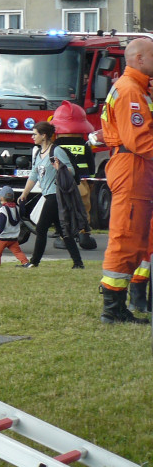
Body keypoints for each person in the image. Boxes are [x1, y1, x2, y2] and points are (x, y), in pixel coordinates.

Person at [96, 36, 153, 324]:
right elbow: (142, 141)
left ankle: (119, 304)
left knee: (137, 236)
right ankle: (112, 308)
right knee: (126, 237)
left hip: (136, 169)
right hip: (133, 168)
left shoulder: (136, 88)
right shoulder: (131, 90)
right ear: (140, 59)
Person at [18, 121, 84, 269]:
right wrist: (24, 193)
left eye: (35, 134)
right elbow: (34, 175)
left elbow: (71, 171)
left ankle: (34, 262)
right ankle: (78, 263)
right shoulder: (39, 153)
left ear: (44, 135)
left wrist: (60, 167)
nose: (32, 137)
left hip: (56, 194)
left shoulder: (57, 151)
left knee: (41, 228)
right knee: (62, 230)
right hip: (47, 194)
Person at [49, 100, 97, 250]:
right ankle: (84, 235)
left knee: (65, 208)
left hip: (63, 182)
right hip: (82, 181)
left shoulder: (57, 145)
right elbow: (91, 165)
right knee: (83, 207)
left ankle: (65, 237)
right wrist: (92, 181)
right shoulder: (84, 144)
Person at [0, 185, 32, 267]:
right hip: (13, 237)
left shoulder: (3, 210)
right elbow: (22, 214)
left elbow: (1, 226)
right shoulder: (17, 208)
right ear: (13, 198)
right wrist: (22, 204)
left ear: (1, 198)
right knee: (17, 251)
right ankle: (26, 263)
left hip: (2, 238)